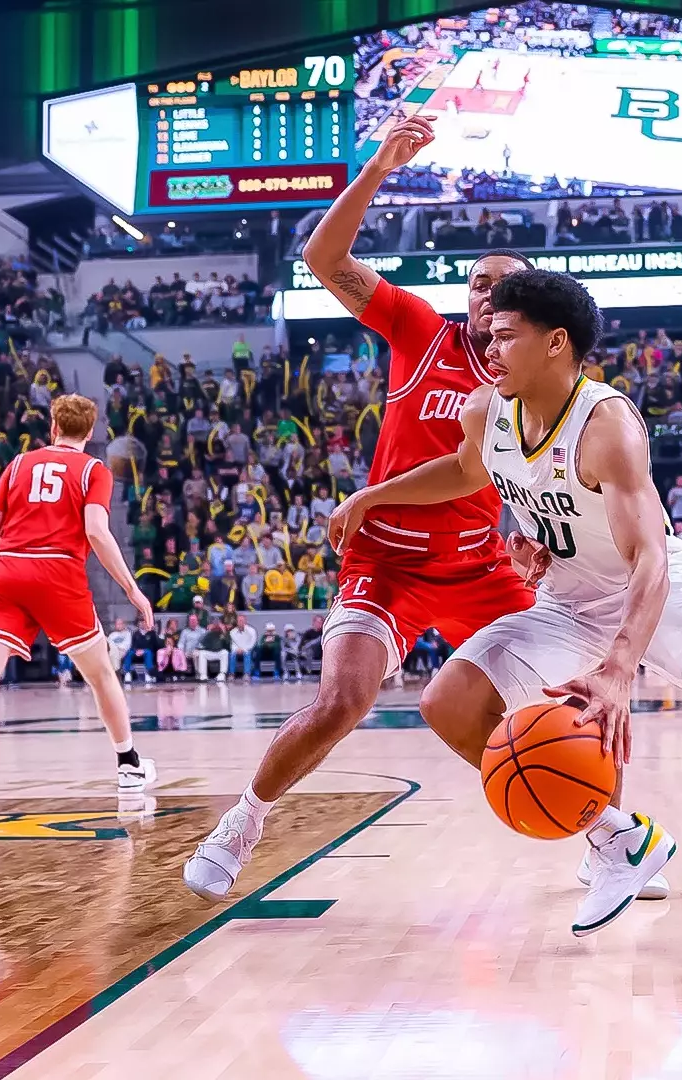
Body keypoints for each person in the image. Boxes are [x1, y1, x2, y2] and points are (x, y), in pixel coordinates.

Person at [310, 270, 682, 975]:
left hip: (651, 592)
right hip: (567, 601)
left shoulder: (607, 427)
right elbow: (465, 472)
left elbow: (649, 557)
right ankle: (618, 839)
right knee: (447, 702)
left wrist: (619, 668)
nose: (488, 346)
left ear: (556, 343)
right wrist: (373, 497)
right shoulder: (486, 409)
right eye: (489, 334)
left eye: (505, 336)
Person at [183, 112, 550, 903]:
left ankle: (609, 833)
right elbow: (323, 258)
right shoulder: (421, 331)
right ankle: (241, 823)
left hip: (477, 567)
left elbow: (506, 473)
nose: (489, 291)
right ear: (466, 298)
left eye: (505, 284)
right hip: (386, 562)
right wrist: (380, 168)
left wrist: (531, 531)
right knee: (341, 701)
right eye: (478, 281)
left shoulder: (537, 385)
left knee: (561, 702)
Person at [0, 394, 156, 816]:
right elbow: (97, 532)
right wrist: (131, 588)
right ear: (90, 432)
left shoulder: (17, 465)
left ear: (53, 426)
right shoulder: (93, 470)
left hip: (6, 570)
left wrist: (16, 569)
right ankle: (128, 765)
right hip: (58, 572)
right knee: (100, 674)